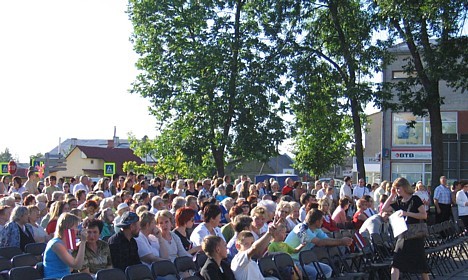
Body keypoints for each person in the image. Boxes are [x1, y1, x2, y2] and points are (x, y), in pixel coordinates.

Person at [381, 177, 429, 280]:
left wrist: (407, 213)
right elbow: (383, 209)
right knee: (396, 262)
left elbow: (423, 215)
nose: (397, 190)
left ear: (404, 187)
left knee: (421, 265)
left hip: (415, 235)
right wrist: (392, 195)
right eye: (396, 188)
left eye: (399, 188)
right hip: (403, 235)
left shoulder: (415, 199)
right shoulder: (399, 201)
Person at [285, 209, 353, 280]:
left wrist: (341, 241)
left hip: (303, 260)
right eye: (321, 220)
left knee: (327, 270)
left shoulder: (317, 230)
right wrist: (341, 241)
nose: (322, 222)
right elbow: (319, 242)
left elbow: (327, 240)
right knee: (314, 273)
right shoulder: (302, 229)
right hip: (291, 262)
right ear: (317, 222)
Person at [43, 213, 87, 278]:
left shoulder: (69, 240)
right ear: (68, 227)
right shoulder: (56, 244)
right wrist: (83, 242)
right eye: (75, 227)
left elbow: (71, 268)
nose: (77, 230)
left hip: (67, 277)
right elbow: (77, 266)